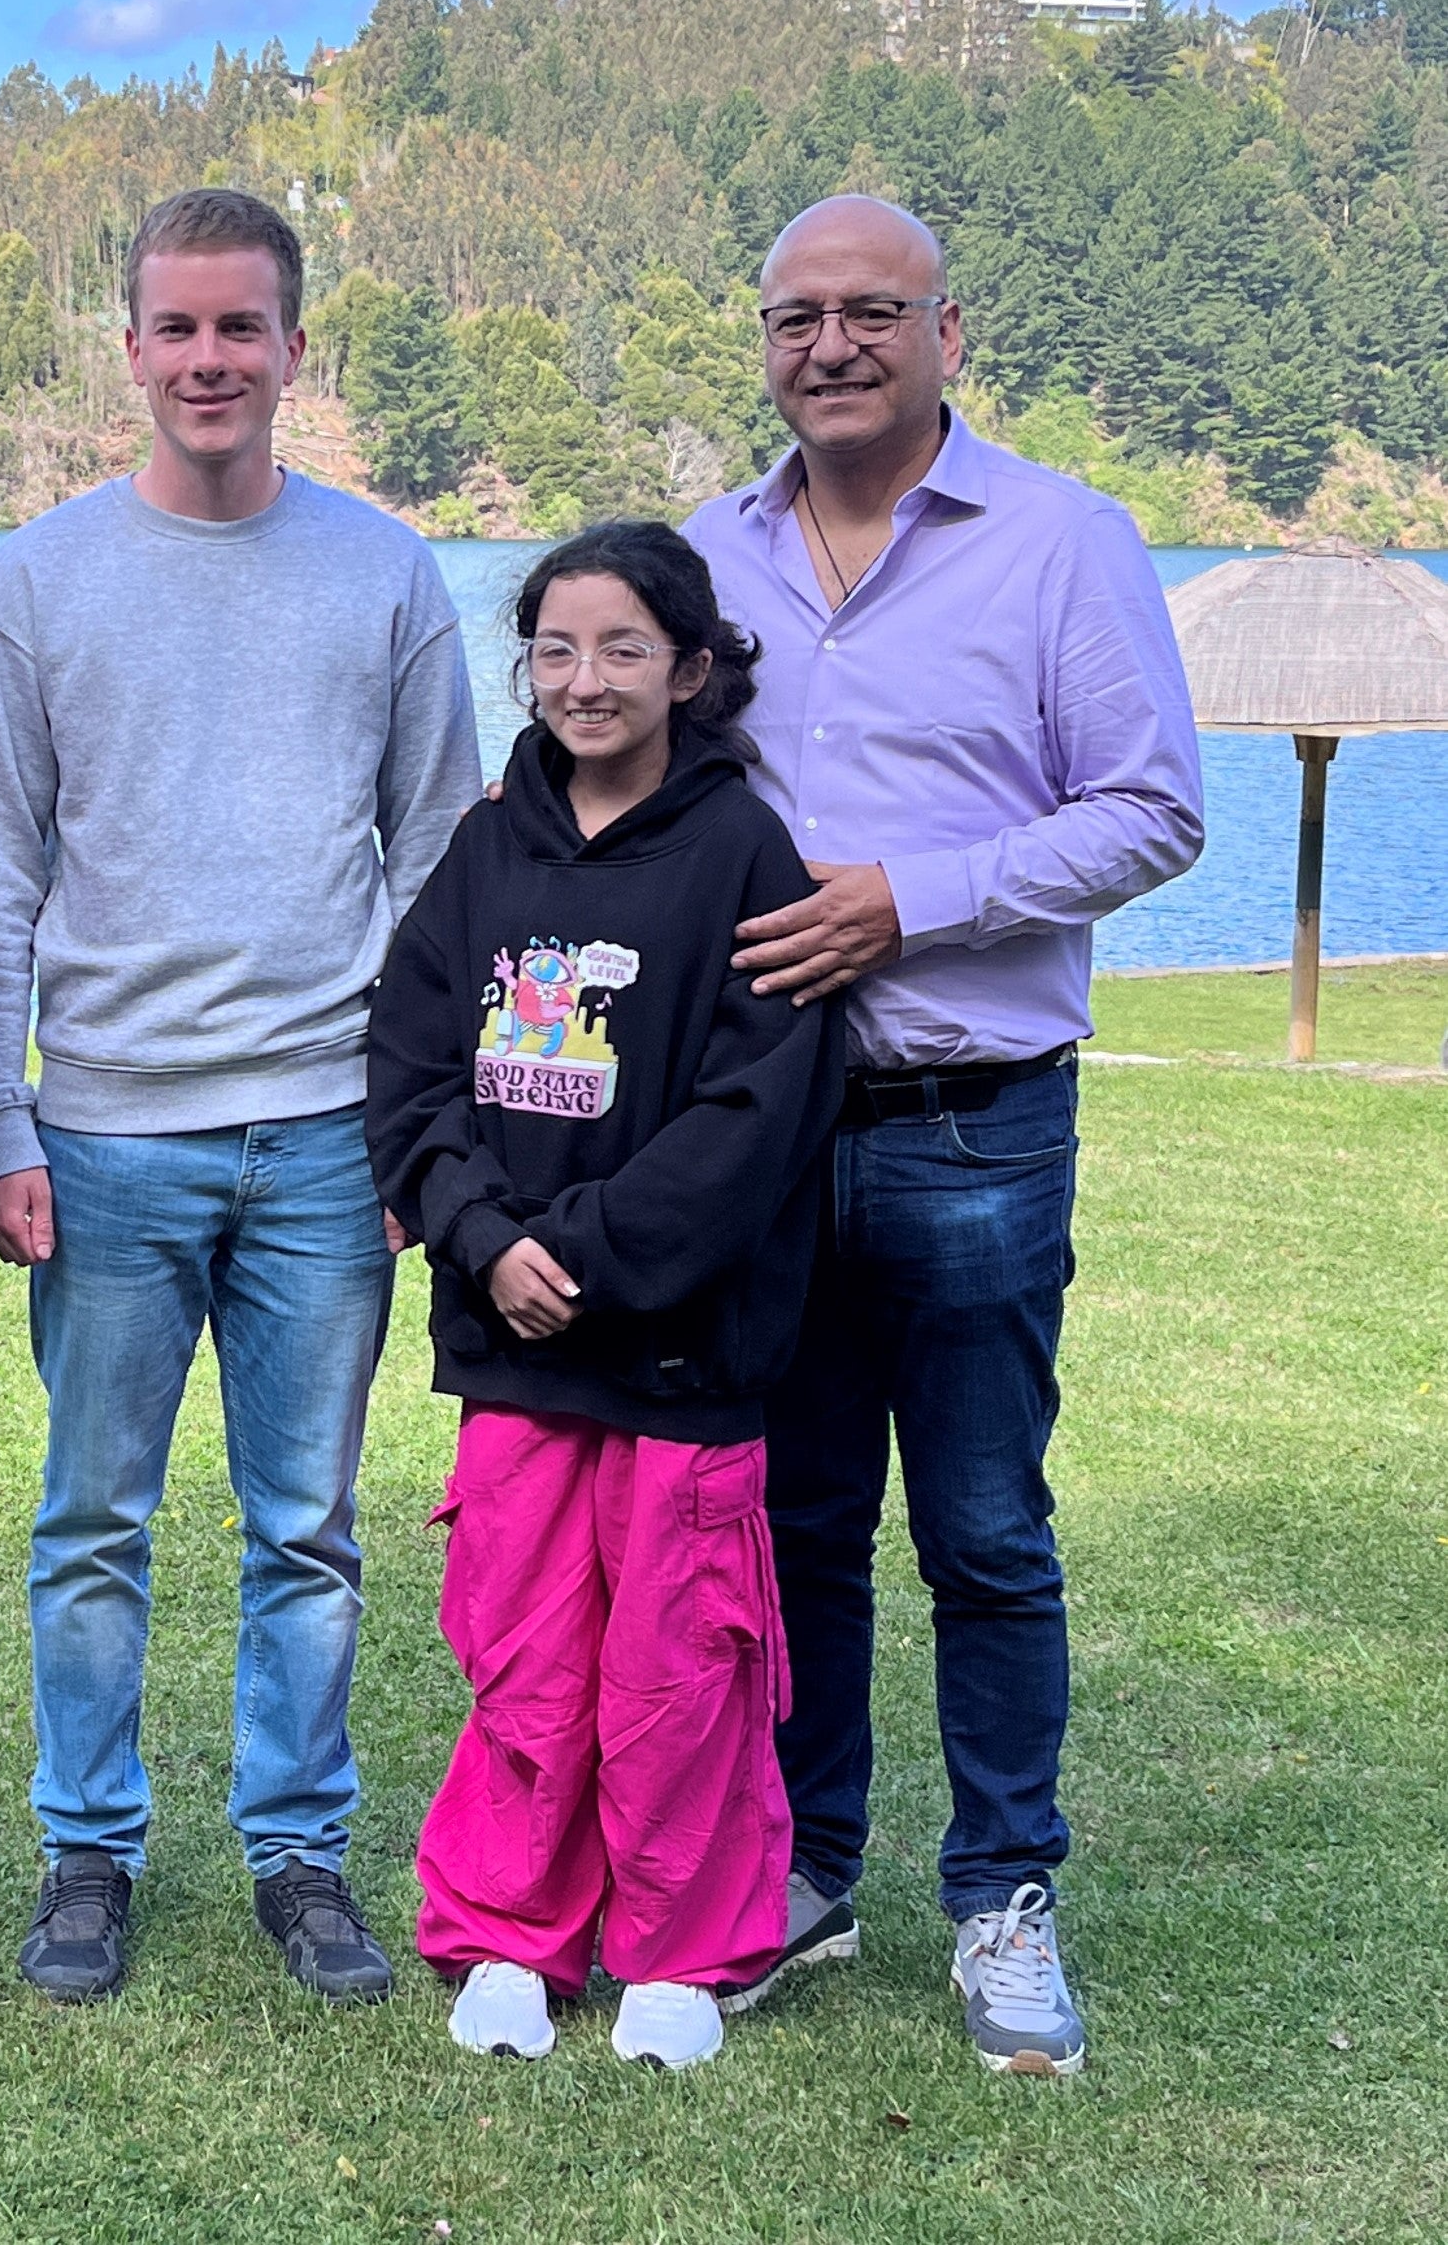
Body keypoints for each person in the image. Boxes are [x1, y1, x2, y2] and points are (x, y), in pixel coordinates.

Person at [684, 197, 1203, 2076]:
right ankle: (809, 1866)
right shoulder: (702, 561)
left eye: (869, 313)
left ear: (947, 332)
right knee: (797, 1524)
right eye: (796, 316)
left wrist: (918, 897)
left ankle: (1000, 1896)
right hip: (759, 1135)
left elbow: (1152, 809)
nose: (830, 345)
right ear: (764, 340)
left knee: (984, 1531)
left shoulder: (1065, 543)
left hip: (973, 1123)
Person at [0, 186, 481, 2005]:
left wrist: (426, 1134)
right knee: (90, 1518)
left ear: (292, 349)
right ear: (130, 351)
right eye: (175, 328)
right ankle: (86, 1853)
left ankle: (300, 1851)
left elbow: (442, 875)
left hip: (331, 1135)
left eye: (240, 327)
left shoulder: (387, 575)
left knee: (306, 1526)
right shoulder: (41, 579)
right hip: (104, 1131)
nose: (207, 360)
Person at [366, 521, 845, 2072]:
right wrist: (481, 1234)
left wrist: (587, 1250)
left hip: (679, 1351)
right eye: (556, 649)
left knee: (677, 1660)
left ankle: (677, 1953)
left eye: (624, 649)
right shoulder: (490, 843)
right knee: (524, 1643)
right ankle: (509, 1932)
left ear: (690, 670)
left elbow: (758, 1109)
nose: (586, 680)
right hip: (515, 1343)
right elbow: (414, 1061)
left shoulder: (744, 856)